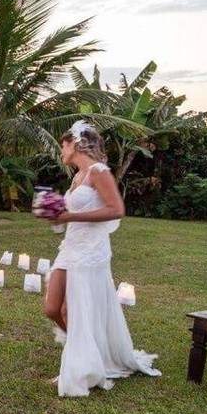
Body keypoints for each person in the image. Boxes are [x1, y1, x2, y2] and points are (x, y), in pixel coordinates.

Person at [43, 120, 161, 397]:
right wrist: (56, 215)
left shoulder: (99, 171)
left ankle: (83, 362)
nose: (61, 150)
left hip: (91, 252)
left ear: (76, 143)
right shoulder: (76, 177)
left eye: (63, 145)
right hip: (70, 246)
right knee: (52, 308)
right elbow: (73, 216)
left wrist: (71, 215)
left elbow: (116, 209)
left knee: (75, 310)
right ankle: (88, 351)